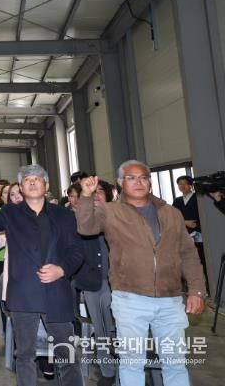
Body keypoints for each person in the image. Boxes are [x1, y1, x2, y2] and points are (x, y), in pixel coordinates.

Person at [77, 161, 206, 386]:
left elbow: (188, 253)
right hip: (130, 300)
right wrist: (86, 196)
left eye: (143, 177)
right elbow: (86, 227)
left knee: (175, 363)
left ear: (150, 182)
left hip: (170, 300)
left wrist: (197, 290)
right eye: (131, 178)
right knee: (132, 362)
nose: (138, 182)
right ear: (120, 182)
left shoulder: (171, 213)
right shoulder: (110, 211)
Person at [0, 166, 83, 386]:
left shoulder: (64, 215)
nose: (32, 182)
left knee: (67, 355)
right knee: (24, 356)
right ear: (21, 188)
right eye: (27, 180)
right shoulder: (10, 213)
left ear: (46, 185)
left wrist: (61, 269)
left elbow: (77, 251)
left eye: (37, 179)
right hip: (24, 295)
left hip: (57, 293)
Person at [72, 180, 116, 386]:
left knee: (124, 329)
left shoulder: (118, 217)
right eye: (92, 193)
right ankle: (108, 371)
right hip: (93, 282)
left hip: (120, 282)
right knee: (101, 329)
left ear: (108, 195)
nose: (96, 195)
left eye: (100, 192)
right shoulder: (80, 219)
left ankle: (131, 368)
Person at [173, 175, 208, 294]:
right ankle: (190, 289)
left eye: (184, 183)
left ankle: (207, 289)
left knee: (202, 261)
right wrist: (185, 222)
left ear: (190, 185)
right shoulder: (177, 201)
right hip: (184, 235)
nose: (182, 186)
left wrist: (194, 225)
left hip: (199, 233)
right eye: (179, 184)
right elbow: (173, 218)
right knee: (187, 263)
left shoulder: (197, 198)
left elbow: (202, 215)